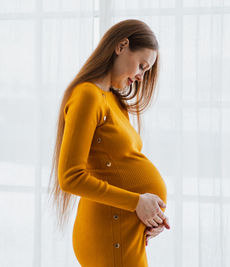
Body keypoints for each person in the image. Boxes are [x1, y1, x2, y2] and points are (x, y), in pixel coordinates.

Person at [48, 19, 170, 267]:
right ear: (121, 46)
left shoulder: (113, 100)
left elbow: (117, 169)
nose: (140, 76)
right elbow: (70, 177)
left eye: (145, 72)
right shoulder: (87, 96)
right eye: (141, 66)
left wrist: (151, 216)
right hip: (109, 233)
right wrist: (138, 203)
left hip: (123, 230)